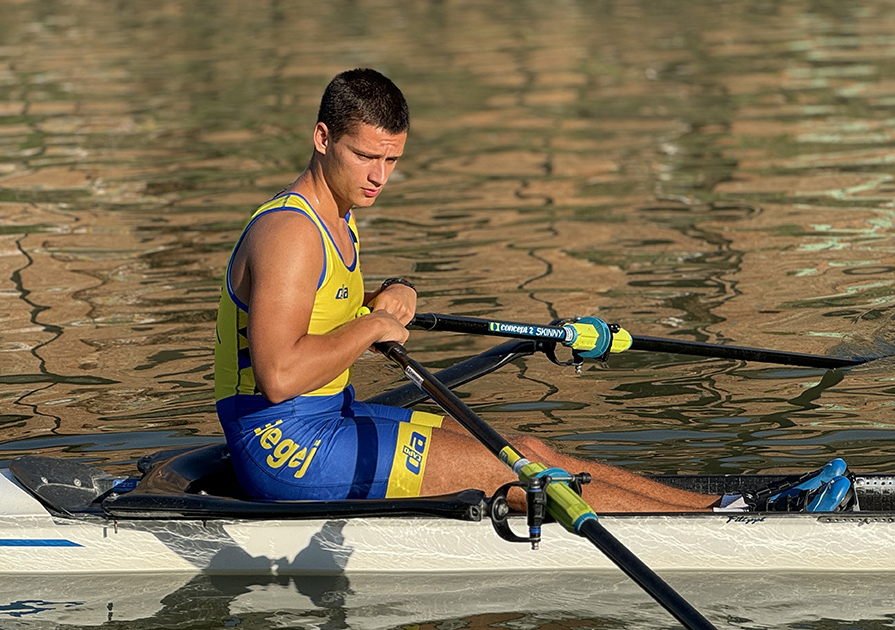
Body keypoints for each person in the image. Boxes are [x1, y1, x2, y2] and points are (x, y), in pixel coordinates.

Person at [213, 68, 853, 513]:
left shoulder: (337, 213)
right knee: (523, 475)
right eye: (365, 157)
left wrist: (389, 293)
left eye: (393, 160)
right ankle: (720, 529)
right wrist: (372, 327)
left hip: (328, 421)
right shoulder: (290, 233)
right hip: (287, 448)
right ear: (322, 139)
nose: (379, 176)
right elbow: (278, 372)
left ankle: (730, 507)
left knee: (531, 450)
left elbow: (318, 310)